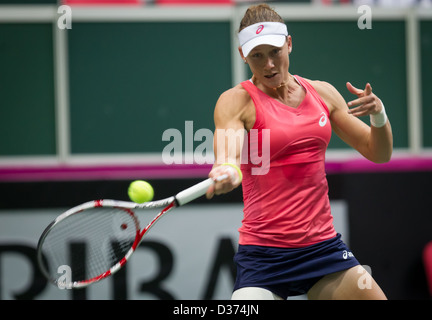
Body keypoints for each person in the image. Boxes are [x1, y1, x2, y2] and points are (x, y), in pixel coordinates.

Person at [205, 3, 392, 300]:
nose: (268, 64)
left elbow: (378, 152)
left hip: (323, 250)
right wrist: (226, 171)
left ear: (289, 44)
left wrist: (379, 115)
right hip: (264, 256)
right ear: (243, 55)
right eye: (257, 55)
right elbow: (228, 157)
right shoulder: (235, 101)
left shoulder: (323, 93)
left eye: (275, 52)